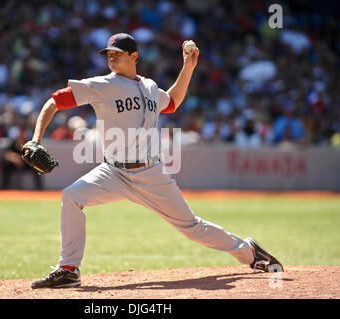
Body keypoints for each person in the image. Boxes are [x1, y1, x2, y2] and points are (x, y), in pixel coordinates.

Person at [27, 33, 283, 289]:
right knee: (72, 196)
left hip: (150, 173)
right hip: (112, 172)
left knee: (192, 227)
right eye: (109, 54)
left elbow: (171, 103)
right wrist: (36, 139)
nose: (111, 57)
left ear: (134, 56)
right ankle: (69, 269)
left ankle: (249, 252)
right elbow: (54, 102)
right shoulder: (101, 85)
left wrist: (188, 66)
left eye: (117, 53)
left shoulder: (149, 86)